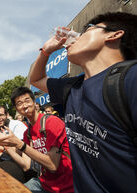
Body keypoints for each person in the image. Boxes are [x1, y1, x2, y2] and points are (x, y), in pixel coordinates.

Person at [29, 12, 137, 193]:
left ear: (114, 35)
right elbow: (36, 79)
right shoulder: (73, 86)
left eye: (86, 29)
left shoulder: (131, 79)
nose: (76, 36)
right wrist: (46, 51)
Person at [0, 87, 73, 193]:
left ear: (34, 103)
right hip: (43, 183)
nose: (24, 105)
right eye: (19, 103)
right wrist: (6, 145)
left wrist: (19, 144)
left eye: (27, 101)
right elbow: (26, 166)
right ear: (16, 109)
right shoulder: (28, 133)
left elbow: (52, 165)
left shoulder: (52, 122)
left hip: (65, 187)